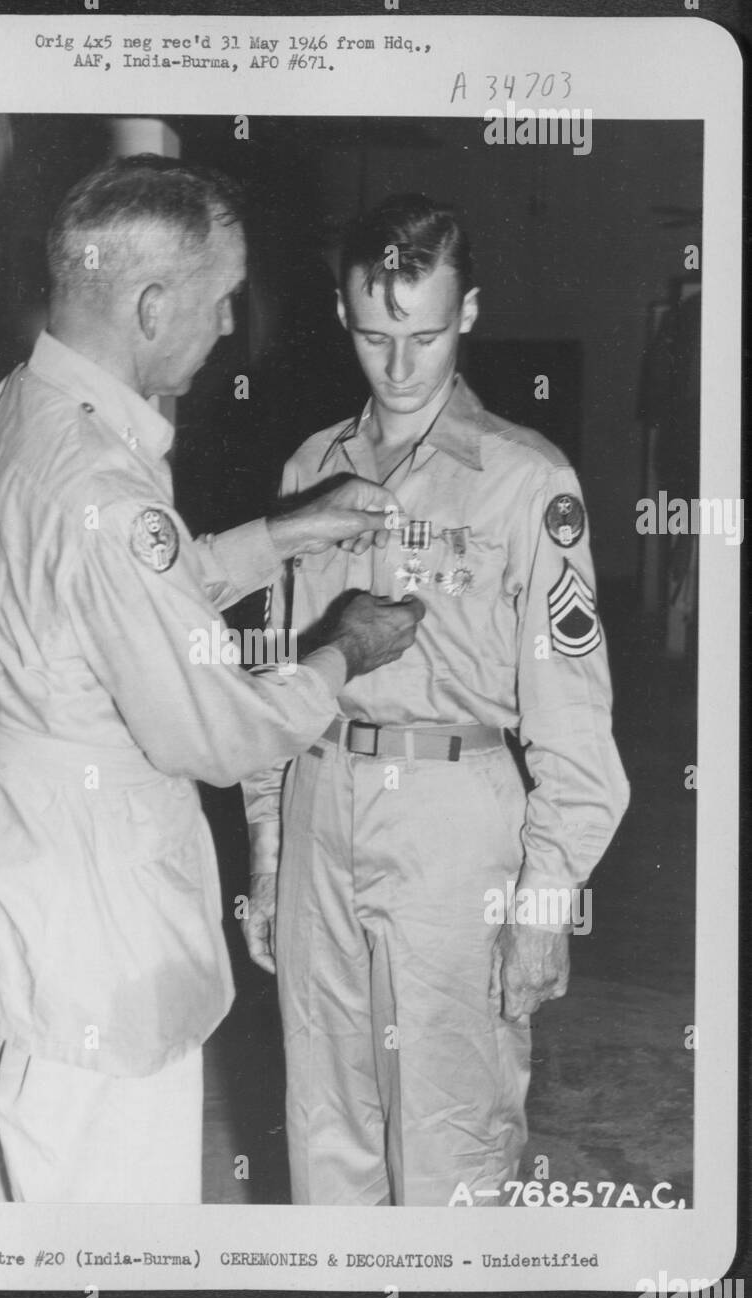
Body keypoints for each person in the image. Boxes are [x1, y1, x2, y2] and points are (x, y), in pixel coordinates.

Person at [0, 156, 425, 1205]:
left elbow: (102, 608)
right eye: (221, 297)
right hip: (89, 943)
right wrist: (341, 652)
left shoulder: (14, 411)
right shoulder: (101, 481)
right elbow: (213, 732)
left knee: (12, 1227)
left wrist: (278, 534)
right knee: (106, 1243)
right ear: (149, 306)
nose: (230, 325)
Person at [242, 194, 630, 1206]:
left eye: (421, 335)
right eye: (374, 336)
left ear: (465, 313)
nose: (399, 366)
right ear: (341, 315)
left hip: (454, 826)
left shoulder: (524, 482)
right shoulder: (307, 472)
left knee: (452, 1136)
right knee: (325, 1132)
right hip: (318, 802)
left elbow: (574, 725)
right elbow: (274, 674)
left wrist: (544, 904)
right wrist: (264, 845)